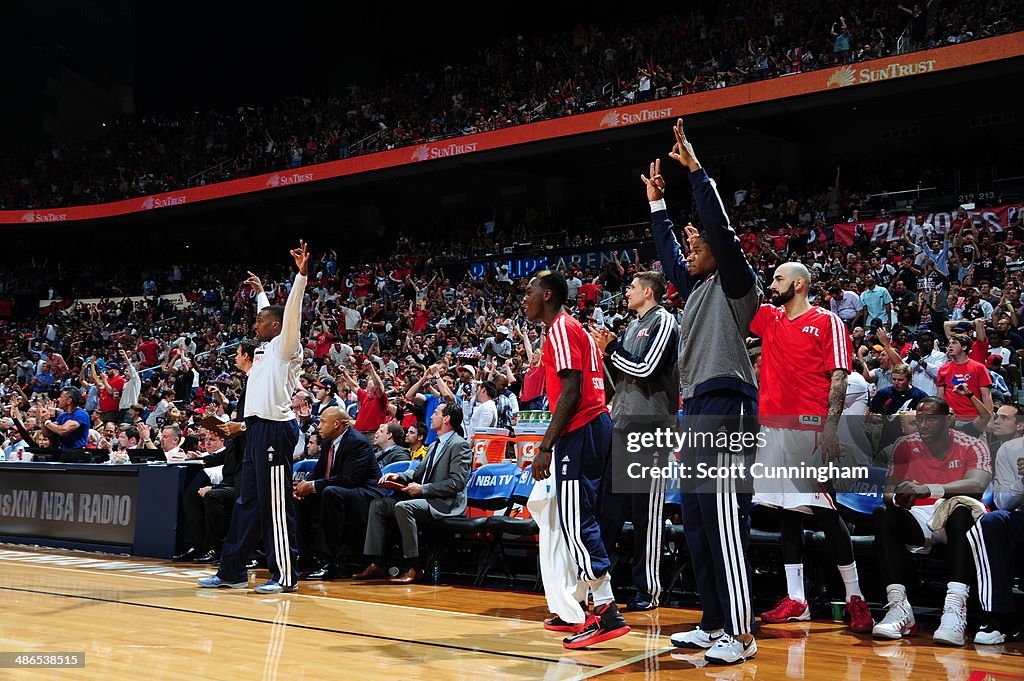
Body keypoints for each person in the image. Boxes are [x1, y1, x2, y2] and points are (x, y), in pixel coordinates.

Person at [644, 120, 758, 664]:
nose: (690, 248)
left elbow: (720, 229)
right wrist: (659, 209)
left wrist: (695, 172)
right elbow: (669, 258)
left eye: (697, 243)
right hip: (694, 410)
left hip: (728, 403)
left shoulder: (736, 283)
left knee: (725, 516)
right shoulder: (694, 290)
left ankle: (740, 631)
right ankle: (713, 622)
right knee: (694, 516)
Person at [749, 260, 873, 635]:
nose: (773, 284)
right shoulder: (769, 318)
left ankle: (855, 597)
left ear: (799, 284)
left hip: (810, 428)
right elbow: (741, 287)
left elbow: (839, 374)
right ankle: (796, 600)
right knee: (787, 513)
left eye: (779, 278)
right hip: (772, 427)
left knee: (825, 511)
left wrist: (831, 427)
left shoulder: (826, 321)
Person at [524, 269, 630, 650]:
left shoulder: (561, 329)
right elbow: (608, 385)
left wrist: (545, 445)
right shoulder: (578, 331)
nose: (525, 298)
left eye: (530, 291)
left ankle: (605, 612)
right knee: (581, 519)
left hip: (580, 429)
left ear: (548, 294)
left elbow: (570, 390)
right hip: (595, 426)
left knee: (575, 521)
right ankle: (592, 607)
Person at [198, 241, 309, 594]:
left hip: (277, 432)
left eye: (261, 320)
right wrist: (261, 293)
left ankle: (286, 576)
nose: (255, 323)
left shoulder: (285, 346)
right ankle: (231, 571)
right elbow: (272, 312)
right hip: (257, 431)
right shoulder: (263, 350)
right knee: (246, 503)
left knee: (275, 506)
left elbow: (290, 314)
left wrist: (301, 276)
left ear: (275, 327)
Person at [871, 397, 992, 645]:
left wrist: (929, 489)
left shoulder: (972, 445)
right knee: (883, 513)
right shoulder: (904, 445)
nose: (923, 425)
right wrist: (898, 497)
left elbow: (977, 484)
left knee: (962, 510)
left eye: (931, 419)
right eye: (920, 419)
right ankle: (899, 608)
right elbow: (888, 491)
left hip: (955, 517)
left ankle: (954, 611)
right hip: (918, 516)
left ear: (949, 419)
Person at [592, 270, 678, 612]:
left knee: (647, 515)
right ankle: (602, 590)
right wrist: (605, 354)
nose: (626, 292)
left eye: (630, 287)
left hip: (650, 427)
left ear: (647, 292)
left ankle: (648, 589)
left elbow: (646, 369)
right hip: (621, 423)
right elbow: (623, 376)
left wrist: (612, 348)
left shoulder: (664, 321)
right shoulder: (630, 327)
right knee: (608, 513)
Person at [354, 401, 471, 584]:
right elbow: (416, 473)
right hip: (426, 499)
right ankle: (378, 562)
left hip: (445, 503)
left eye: (436, 413)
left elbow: (457, 483)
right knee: (379, 505)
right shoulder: (434, 445)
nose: (431, 416)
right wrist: (397, 476)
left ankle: (415, 567)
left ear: (446, 419)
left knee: (403, 507)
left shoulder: (459, 445)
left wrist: (423, 489)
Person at [293, 406, 383, 580]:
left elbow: (350, 479)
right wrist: (302, 485)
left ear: (336, 424)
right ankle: (305, 557)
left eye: (323, 422)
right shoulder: (328, 441)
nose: (318, 426)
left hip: (366, 493)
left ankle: (328, 561)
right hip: (340, 489)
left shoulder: (357, 442)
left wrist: (312, 486)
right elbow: (319, 472)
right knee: (301, 499)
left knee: (331, 493)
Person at [936, 333, 994, 428]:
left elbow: (986, 396)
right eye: (949, 343)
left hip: (974, 418)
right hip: (951, 419)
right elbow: (940, 397)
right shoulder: (943, 369)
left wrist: (990, 420)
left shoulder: (979, 368)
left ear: (964, 347)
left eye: (954, 343)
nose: (950, 346)